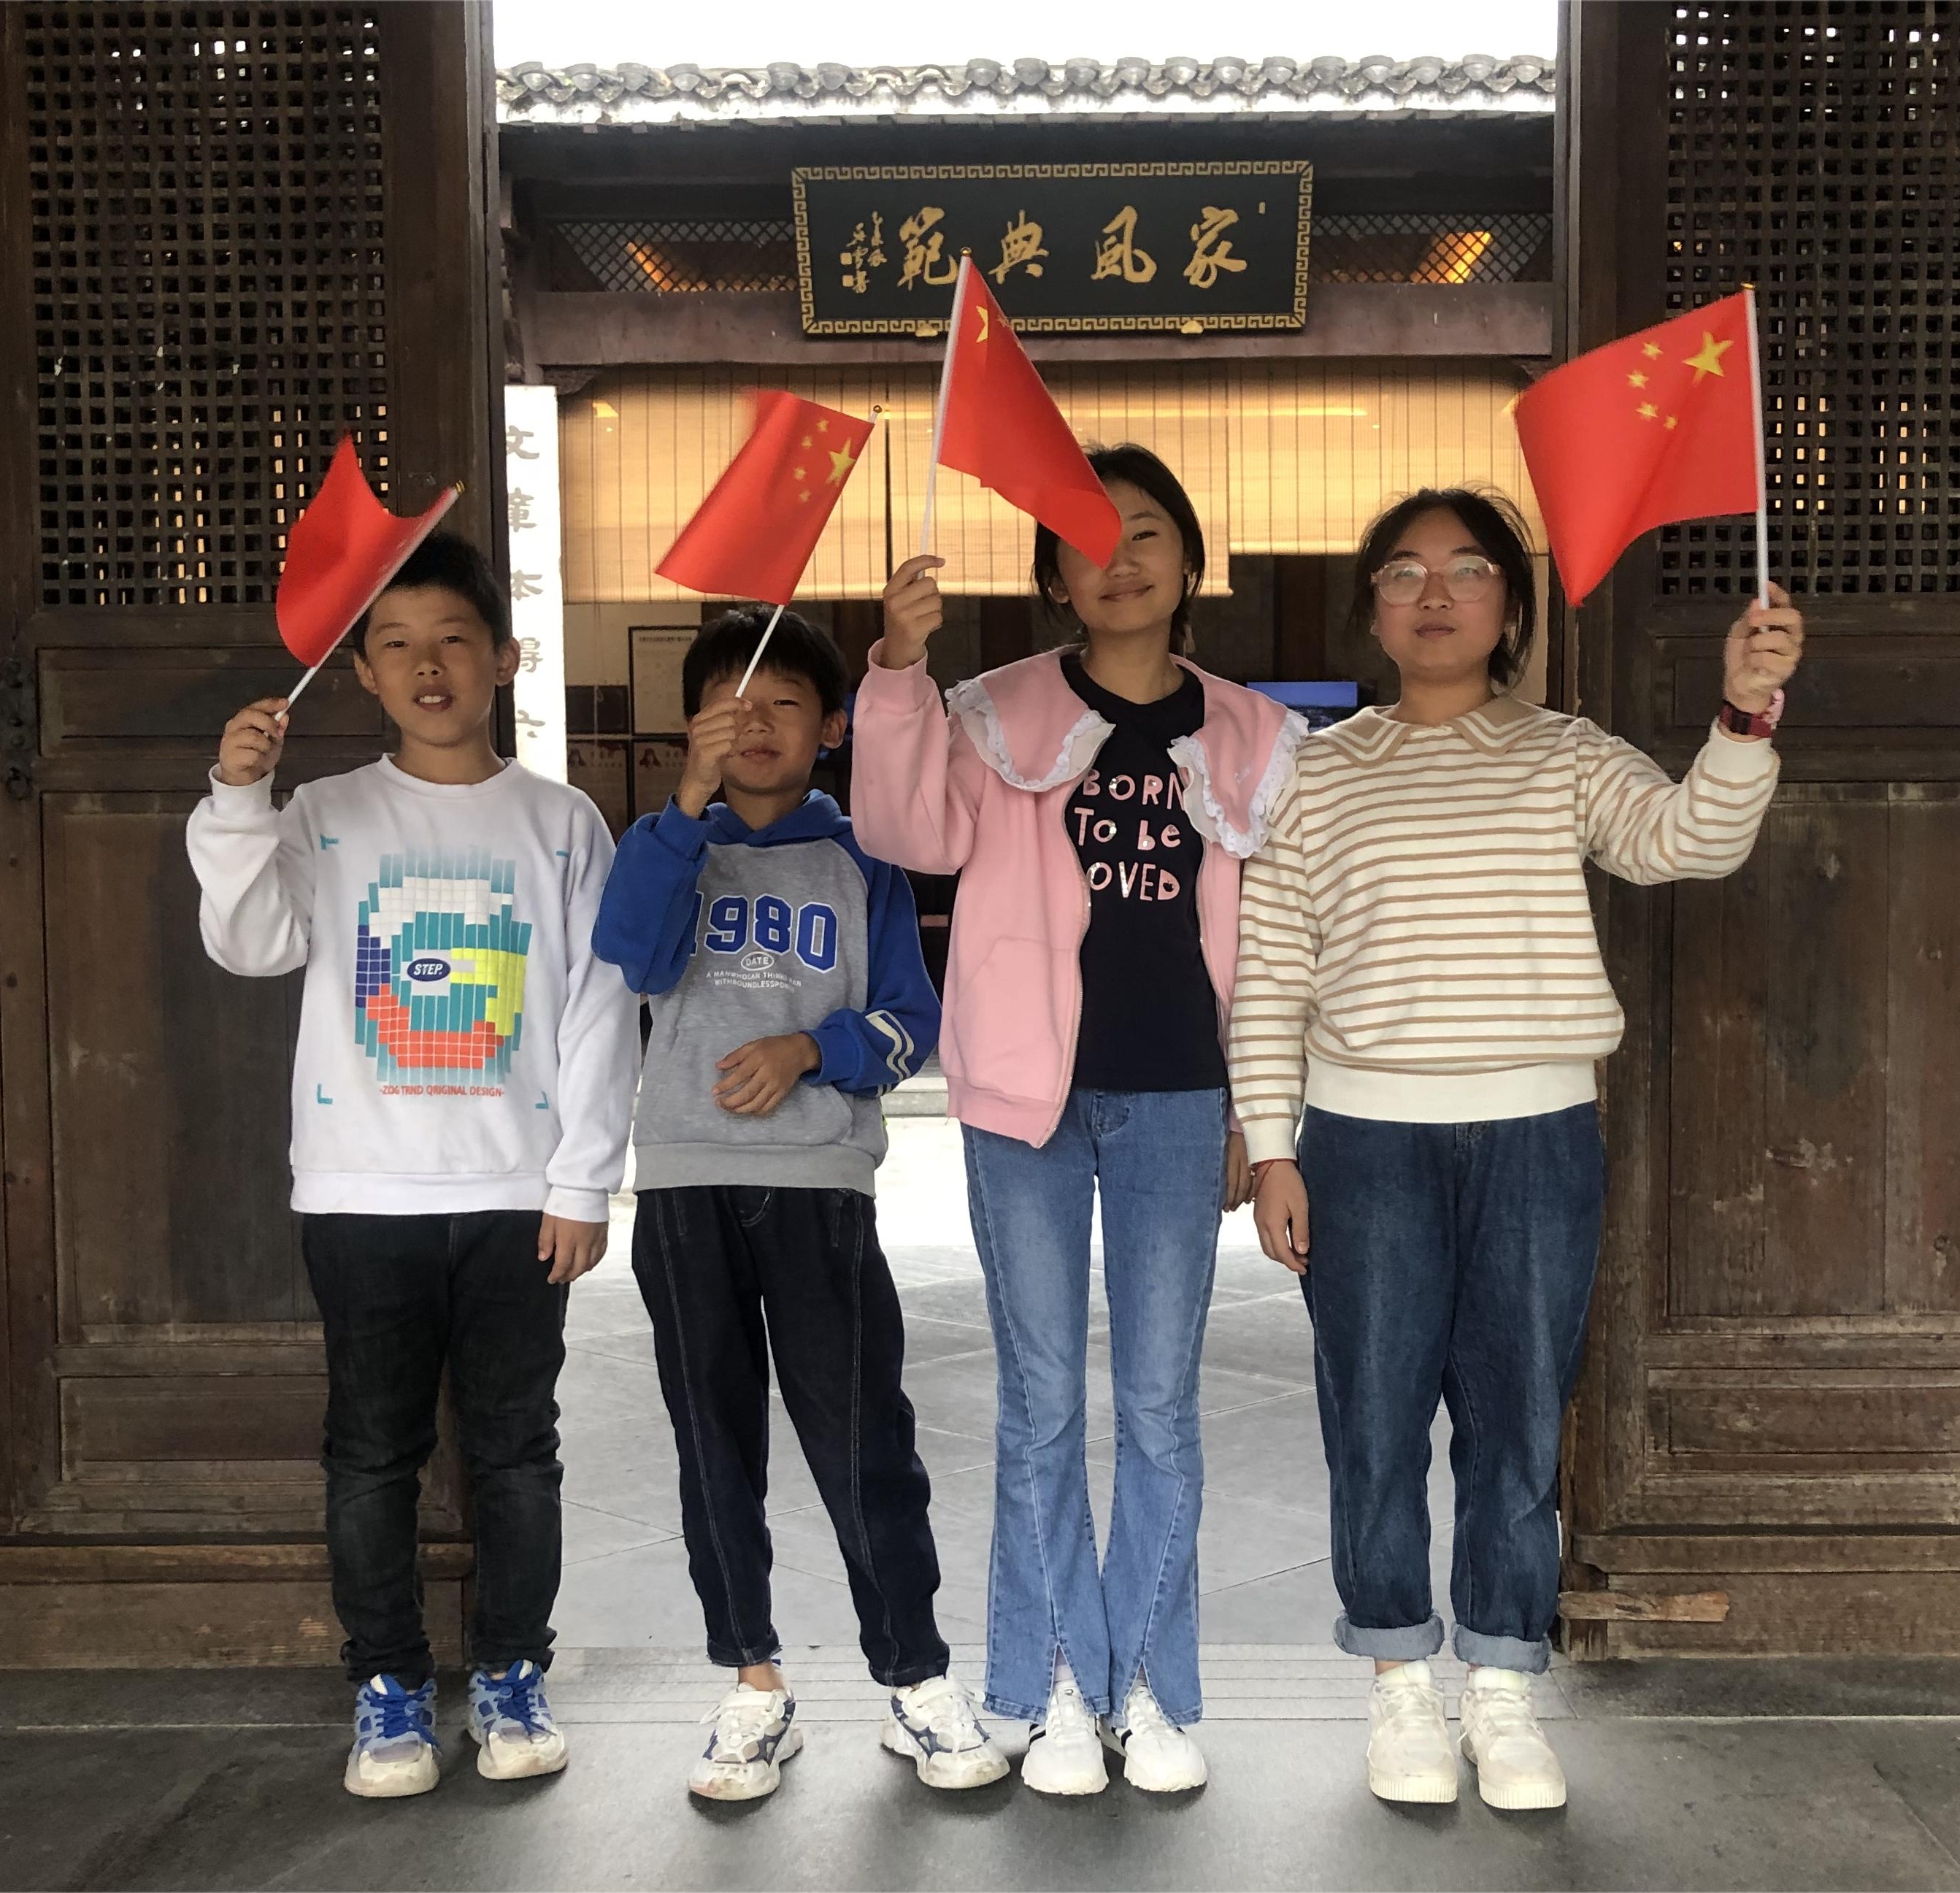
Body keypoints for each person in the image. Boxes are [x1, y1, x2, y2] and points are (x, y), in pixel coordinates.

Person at [1231, 487, 1803, 1811]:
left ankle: (1499, 1680)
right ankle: (1398, 1677)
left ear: (1512, 607)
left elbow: (1687, 841)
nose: (1435, 595)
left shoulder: (1566, 755)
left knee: (1518, 1413)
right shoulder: (1314, 772)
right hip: (1366, 1139)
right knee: (1373, 1418)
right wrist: (1273, 1147)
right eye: (1404, 572)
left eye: (1469, 569)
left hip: (1539, 1136)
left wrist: (1743, 716)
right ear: (1371, 609)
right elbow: (1271, 972)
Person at [853, 445, 1304, 1796]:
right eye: (1088, 538)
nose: (1120, 558)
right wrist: (897, 670)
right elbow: (907, 832)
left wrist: (1263, 1110)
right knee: (1042, 1404)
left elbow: (1280, 940)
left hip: (1180, 1098)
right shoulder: (993, 711)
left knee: (1161, 1407)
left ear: (1192, 560)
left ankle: (1148, 1686)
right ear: (1055, 573)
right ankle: (1050, 1681)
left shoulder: (1253, 735)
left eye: (1147, 531)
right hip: (1023, 1102)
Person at [188, 533, 639, 1798]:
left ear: (505, 657)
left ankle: (511, 1671)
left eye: (452, 640)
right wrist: (238, 801)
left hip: (516, 1197)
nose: (427, 665)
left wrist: (582, 1181)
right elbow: (249, 942)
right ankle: (386, 1684)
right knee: (371, 1451)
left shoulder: (562, 822)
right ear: (365, 674)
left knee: (517, 1449)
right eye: (395, 644)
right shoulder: (326, 813)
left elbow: (602, 1005)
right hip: (362, 1193)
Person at [591, 608, 1004, 1802]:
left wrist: (814, 1049)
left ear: (832, 729)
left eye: (783, 703)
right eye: (730, 704)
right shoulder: (667, 844)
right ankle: (753, 1683)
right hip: (685, 1182)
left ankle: (914, 1674)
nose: (755, 724)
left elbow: (911, 1022)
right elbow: (633, 953)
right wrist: (683, 806)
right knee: (712, 1440)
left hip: (819, 1184)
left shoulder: (865, 855)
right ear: (694, 724)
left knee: (863, 1434)